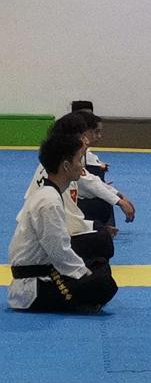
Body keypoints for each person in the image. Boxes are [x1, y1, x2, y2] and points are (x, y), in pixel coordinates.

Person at [8, 132, 118, 313]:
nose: (81, 165)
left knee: (99, 264)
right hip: (32, 287)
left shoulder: (50, 193)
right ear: (66, 166)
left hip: (45, 271)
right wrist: (84, 273)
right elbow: (59, 251)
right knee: (103, 284)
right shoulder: (49, 201)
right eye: (78, 160)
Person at [73, 110, 137, 227]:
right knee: (102, 199)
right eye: (95, 132)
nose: (99, 136)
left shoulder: (80, 152)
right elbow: (88, 182)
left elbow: (90, 179)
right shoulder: (71, 155)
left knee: (103, 192)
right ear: (84, 132)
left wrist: (118, 195)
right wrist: (119, 201)